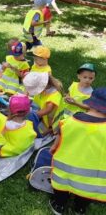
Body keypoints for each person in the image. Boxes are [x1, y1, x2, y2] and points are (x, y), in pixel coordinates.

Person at [49, 87, 106, 215]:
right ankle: (79, 208)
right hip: (91, 178)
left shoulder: (68, 121)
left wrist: (53, 150)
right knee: (86, 191)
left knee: (61, 188)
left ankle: (59, 205)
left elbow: (54, 147)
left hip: (64, 172)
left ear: (90, 103)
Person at [23, 72, 64, 137]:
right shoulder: (44, 90)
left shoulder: (54, 95)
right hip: (44, 118)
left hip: (53, 120)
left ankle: (51, 130)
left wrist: (32, 115)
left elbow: (48, 109)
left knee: (36, 134)